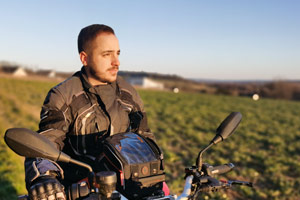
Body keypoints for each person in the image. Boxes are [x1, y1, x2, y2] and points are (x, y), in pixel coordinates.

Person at [25, 24, 155, 200]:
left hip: (128, 189)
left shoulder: (129, 94)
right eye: (106, 54)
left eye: (117, 53)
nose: (116, 62)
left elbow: (144, 138)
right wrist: (44, 178)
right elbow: (46, 144)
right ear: (84, 58)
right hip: (82, 191)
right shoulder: (63, 96)